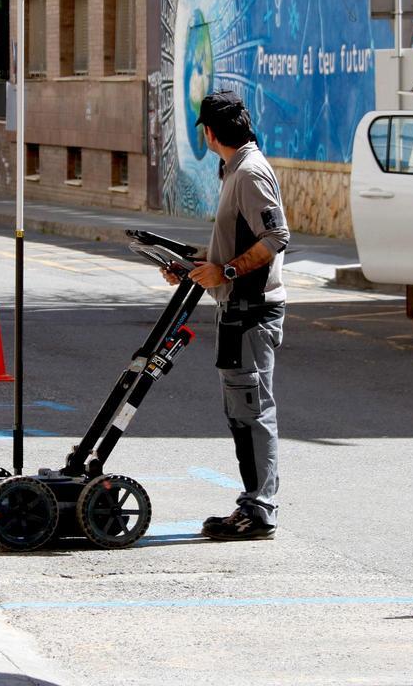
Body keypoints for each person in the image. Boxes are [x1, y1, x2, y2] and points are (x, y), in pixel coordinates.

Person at [164, 92, 290, 541]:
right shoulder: (236, 169)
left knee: (253, 411)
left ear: (209, 133)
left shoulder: (250, 172)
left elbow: (276, 236)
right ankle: (252, 505)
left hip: (253, 309)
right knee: (241, 411)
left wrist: (228, 270)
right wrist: (194, 262)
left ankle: (260, 511)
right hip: (236, 307)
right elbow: (234, 244)